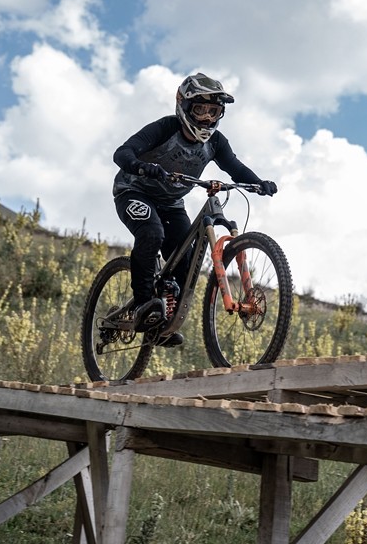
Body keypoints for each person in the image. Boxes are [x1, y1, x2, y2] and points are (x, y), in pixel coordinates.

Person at [111, 72, 277, 345]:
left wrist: (258, 183)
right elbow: (122, 153)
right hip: (134, 192)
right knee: (152, 234)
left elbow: (234, 168)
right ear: (184, 106)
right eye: (200, 110)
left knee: (185, 258)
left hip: (171, 203)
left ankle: (161, 326)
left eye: (214, 112)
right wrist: (142, 166)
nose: (207, 118)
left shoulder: (215, 142)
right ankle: (143, 305)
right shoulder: (165, 128)